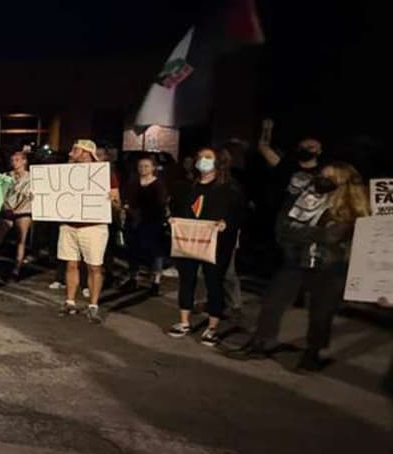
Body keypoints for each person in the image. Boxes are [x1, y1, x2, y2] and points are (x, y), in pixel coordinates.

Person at [229, 162, 367, 371]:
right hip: (296, 260)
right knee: (272, 302)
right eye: (322, 174)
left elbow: (333, 236)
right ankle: (261, 342)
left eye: (330, 177)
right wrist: (315, 233)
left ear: (342, 183)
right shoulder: (304, 198)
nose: (322, 179)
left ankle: (313, 353)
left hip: (330, 265)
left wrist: (302, 231)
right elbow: (283, 228)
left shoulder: (351, 209)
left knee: (321, 314)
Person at [166, 148, 244, 345]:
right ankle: (184, 322)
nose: (203, 161)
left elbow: (239, 214)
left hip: (217, 244)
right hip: (188, 241)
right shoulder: (186, 186)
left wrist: (226, 223)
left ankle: (212, 327)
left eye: (208, 158)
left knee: (214, 283)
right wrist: (172, 220)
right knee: (186, 280)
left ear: (218, 162)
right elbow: (176, 208)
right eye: (200, 157)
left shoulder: (229, 188)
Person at [57, 140, 115, 323]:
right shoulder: (64, 172)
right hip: (69, 225)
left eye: (77, 150)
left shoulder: (103, 174)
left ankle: (93, 305)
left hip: (94, 227)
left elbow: (116, 200)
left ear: (86, 153)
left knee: (94, 266)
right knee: (71, 264)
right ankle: (70, 301)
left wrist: (113, 199)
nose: (72, 153)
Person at [123, 155, 169, 295]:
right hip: (134, 221)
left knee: (155, 253)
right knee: (133, 251)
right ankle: (133, 278)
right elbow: (127, 198)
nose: (143, 169)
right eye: (140, 166)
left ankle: (156, 282)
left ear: (153, 168)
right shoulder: (133, 182)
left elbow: (160, 205)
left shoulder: (158, 185)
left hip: (152, 223)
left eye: (146, 166)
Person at [0, 150, 35, 281]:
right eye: (13, 160)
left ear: (24, 161)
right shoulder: (6, 176)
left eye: (17, 160)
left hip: (23, 211)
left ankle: (16, 268)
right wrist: (6, 207)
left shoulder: (31, 177)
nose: (14, 163)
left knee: (21, 240)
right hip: (7, 211)